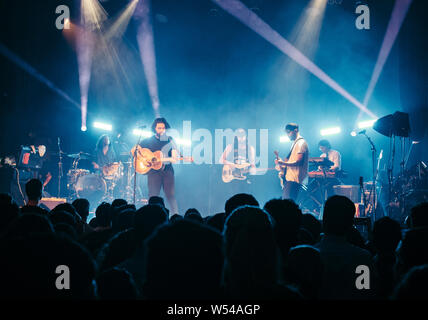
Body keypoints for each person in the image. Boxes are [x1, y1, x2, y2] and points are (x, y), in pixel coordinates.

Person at [137, 118, 179, 215]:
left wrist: (164, 159)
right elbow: (135, 150)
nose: (161, 130)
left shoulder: (170, 140)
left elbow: (175, 158)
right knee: (153, 196)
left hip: (167, 171)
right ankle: (151, 217)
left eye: (163, 128)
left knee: (170, 195)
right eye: (159, 128)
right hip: (153, 172)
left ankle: (176, 216)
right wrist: (143, 159)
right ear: (154, 128)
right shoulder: (148, 141)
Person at [275, 123, 309, 203]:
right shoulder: (295, 143)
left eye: (289, 132)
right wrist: (282, 164)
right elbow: (291, 162)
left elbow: (299, 162)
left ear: (296, 130)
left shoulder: (301, 143)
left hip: (294, 179)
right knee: (287, 203)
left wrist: (283, 164)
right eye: (287, 133)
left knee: (288, 204)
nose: (288, 135)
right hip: (290, 178)